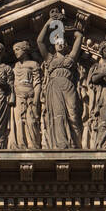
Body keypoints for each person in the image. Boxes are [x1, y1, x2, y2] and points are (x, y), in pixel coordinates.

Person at [37, 13, 84, 149]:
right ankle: (61, 143)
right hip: (54, 87)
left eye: (63, 43)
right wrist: (48, 23)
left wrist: (72, 27)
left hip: (68, 86)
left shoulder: (70, 59)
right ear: (54, 45)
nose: (60, 45)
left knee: (73, 113)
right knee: (58, 115)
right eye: (57, 43)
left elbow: (79, 37)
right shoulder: (49, 59)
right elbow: (40, 42)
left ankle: (76, 143)